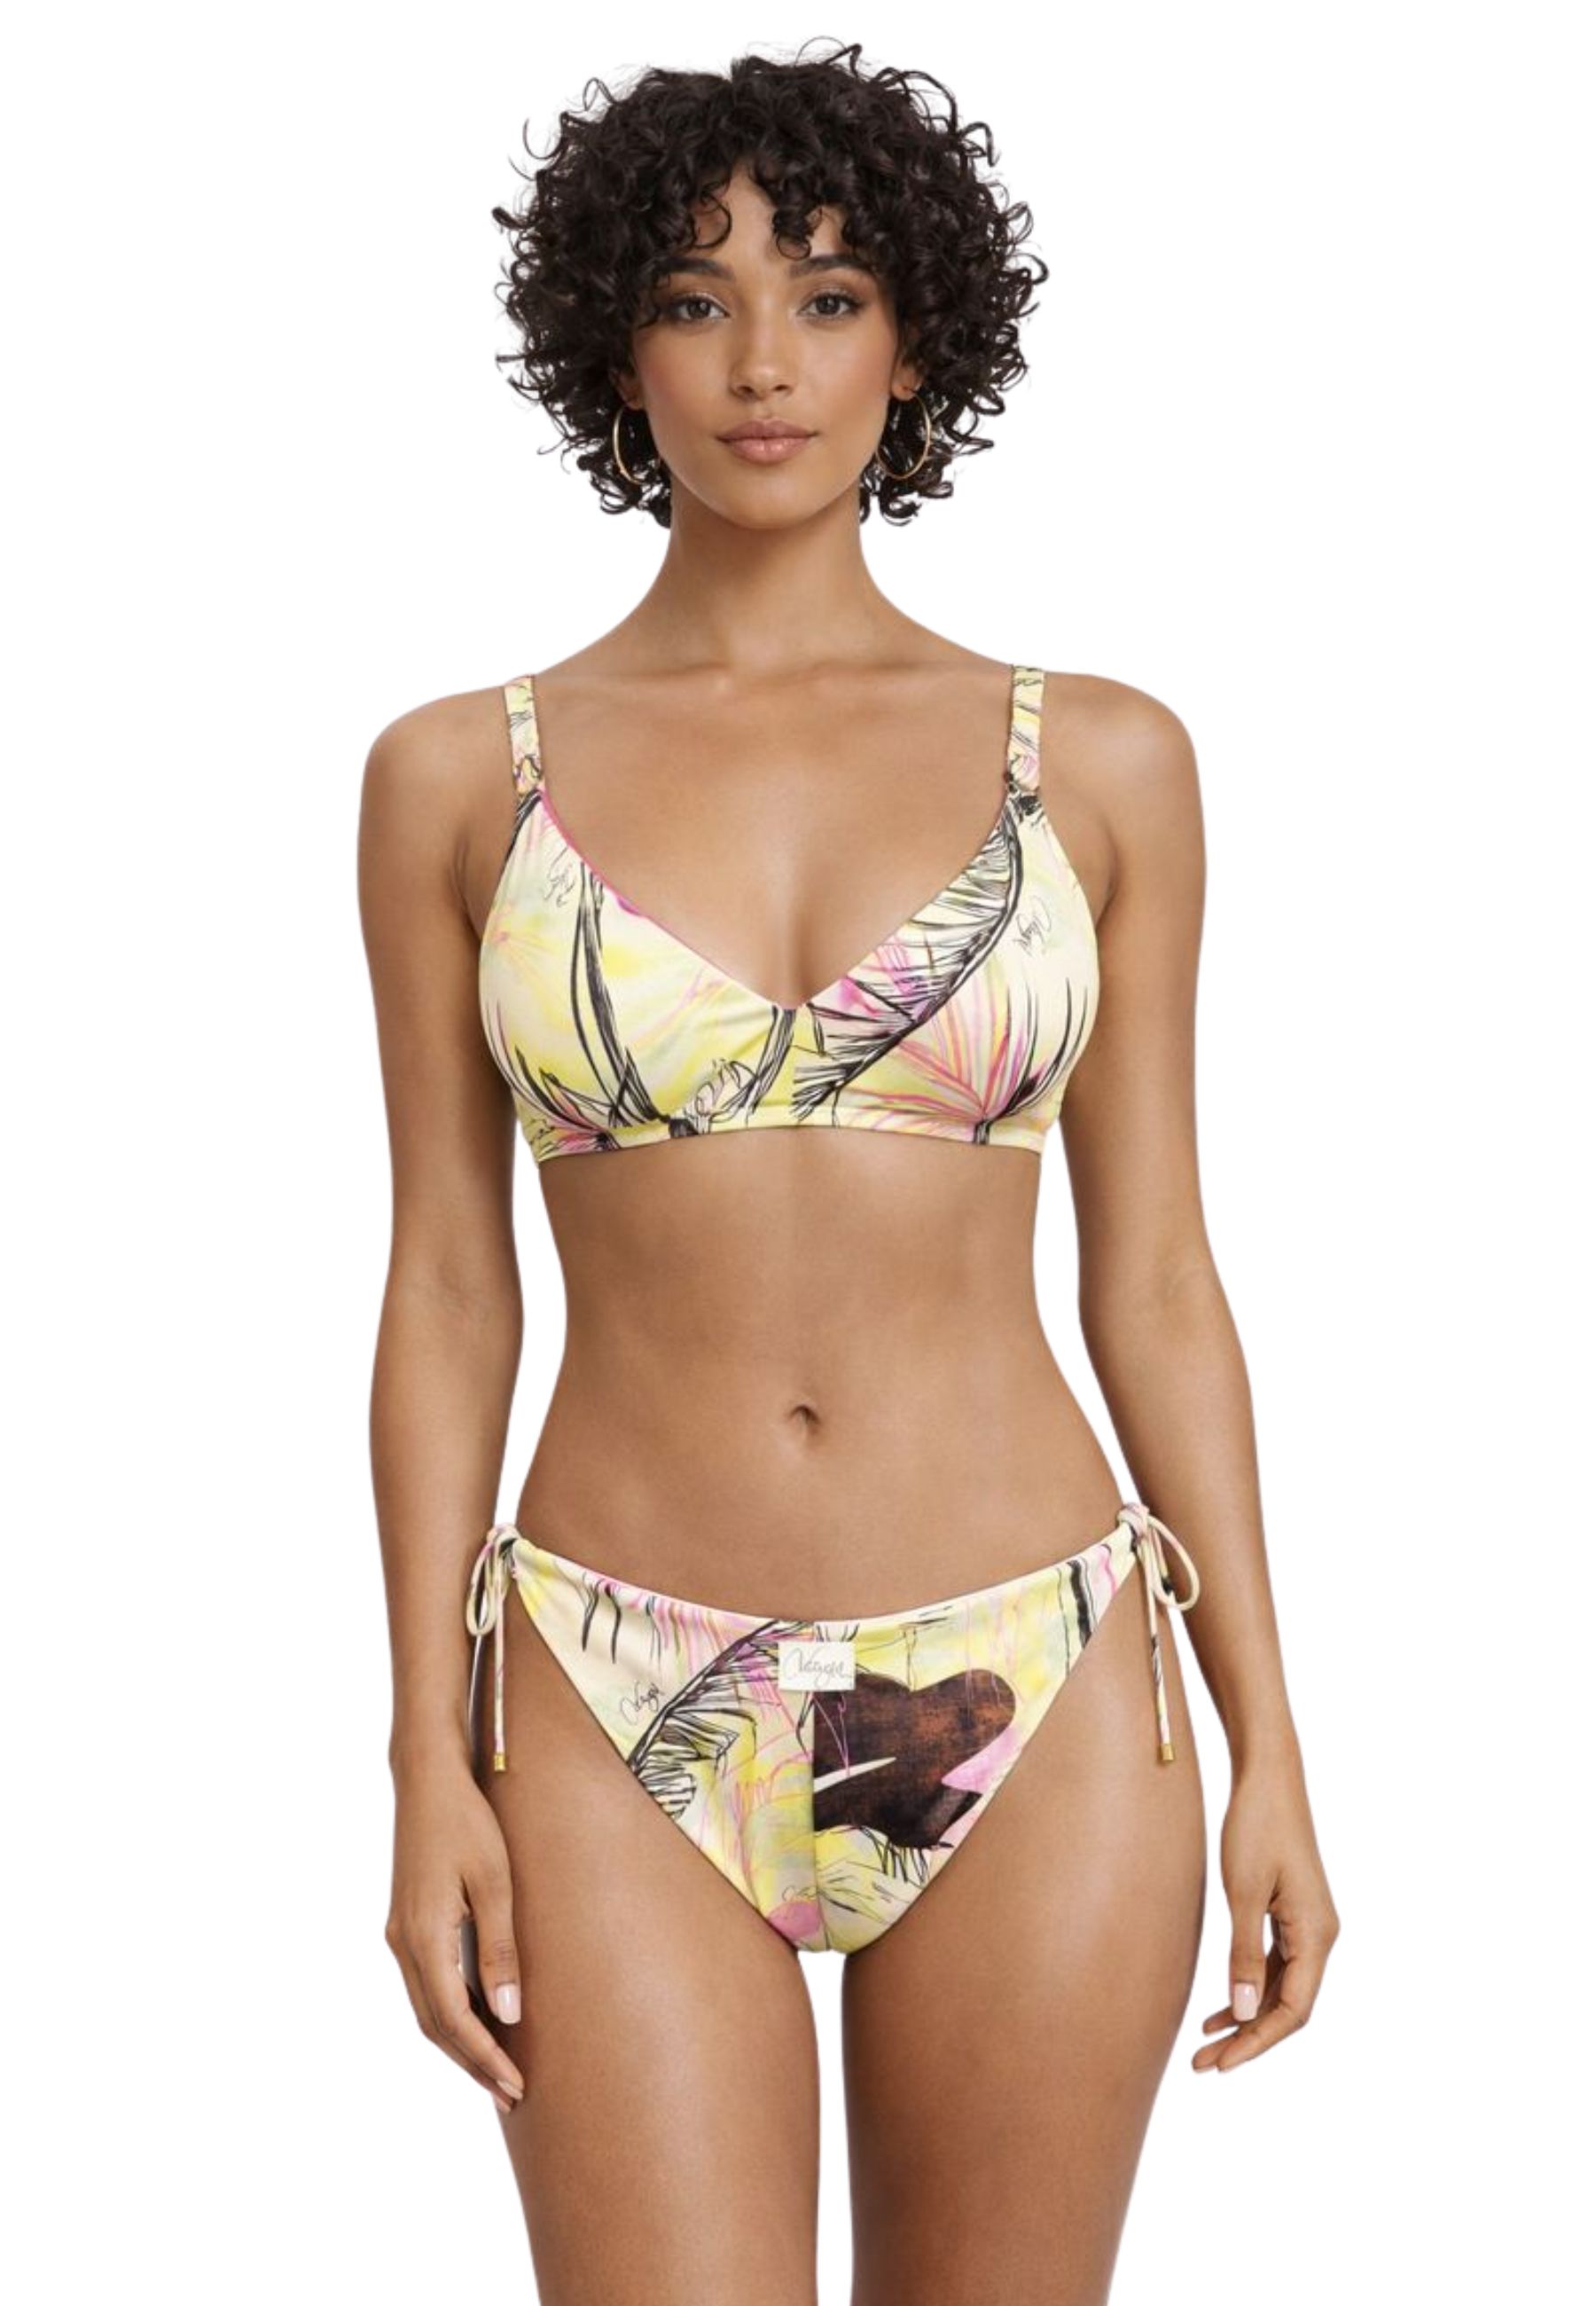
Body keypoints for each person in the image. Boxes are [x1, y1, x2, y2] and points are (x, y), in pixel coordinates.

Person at [357, 40, 1339, 2302]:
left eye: (825, 296)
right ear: (614, 347)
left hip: (1036, 1669)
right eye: (693, 302)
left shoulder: (1098, 761)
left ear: (919, 341)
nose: (762, 365)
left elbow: (1159, 1275)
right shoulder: (458, 780)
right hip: (606, 1684)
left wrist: (1275, 1734)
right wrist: (421, 1750)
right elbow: (445, 1288)